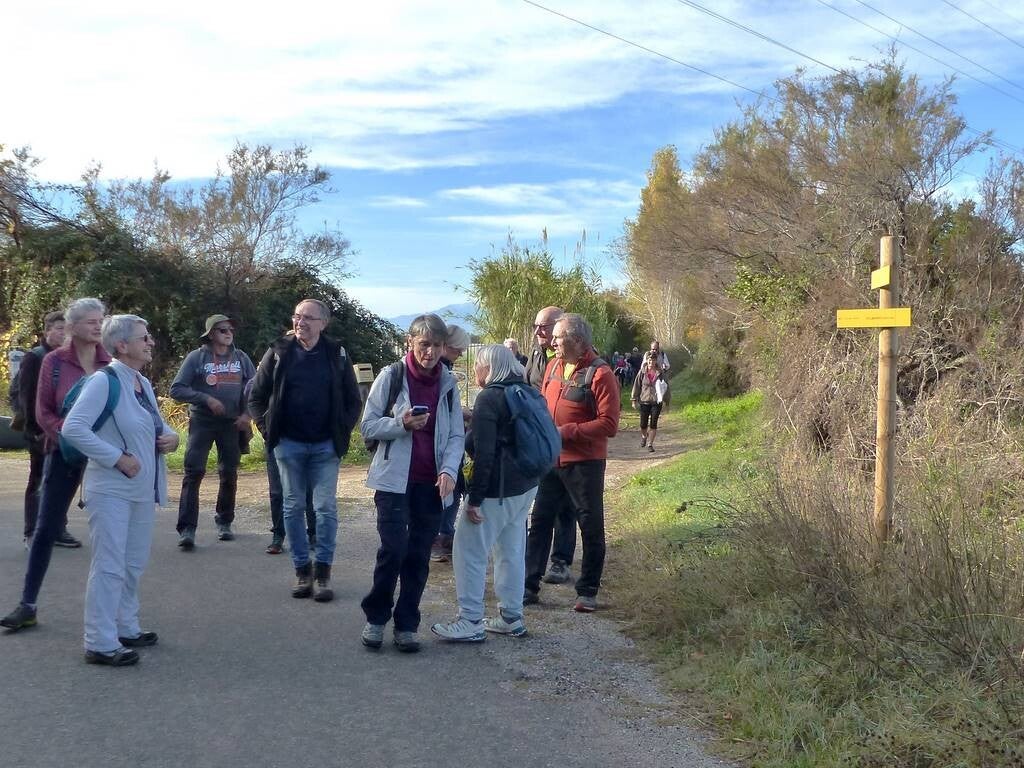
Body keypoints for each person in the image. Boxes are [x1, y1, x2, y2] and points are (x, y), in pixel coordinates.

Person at [61, 315, 179, 666]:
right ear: (122, 345)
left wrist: (172, 437)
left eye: (149, 336)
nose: (151, 342)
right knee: (110, 565)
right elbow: (73, 428)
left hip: (141, 491)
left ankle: (126, 626)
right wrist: (116, 458)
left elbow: (155, 426)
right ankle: (99, 641)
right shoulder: (104, 381)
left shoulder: (141, 382)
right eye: (144, 338)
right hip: (110, 489)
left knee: (133, 563)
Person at [1, 298, 111, 632]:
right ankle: (28, 604)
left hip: (104, 457)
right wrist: (71, 435)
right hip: (63, 453)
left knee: (111, 532)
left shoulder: (110, 363)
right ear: (73, 326)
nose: (98, 325)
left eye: (101, 320)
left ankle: (116, 615)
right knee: (46, 528)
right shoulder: (54, 361)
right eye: (91, 321)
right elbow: (43, 412)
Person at [359, 313, 465, 653]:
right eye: (424, 345)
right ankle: (376, 618)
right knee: (393, 550)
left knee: (419, 556)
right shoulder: (391, 376)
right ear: (410, 343)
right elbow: (367, 426)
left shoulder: (448, 383)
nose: (430, 352)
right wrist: (400, 424)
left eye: (437, 345)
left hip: (431, 484)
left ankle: (407, 625)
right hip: (393, 481)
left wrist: (449, 471)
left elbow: (456, 436)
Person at [248, 299, 362, 602]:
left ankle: (323, 573)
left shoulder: (336, 353)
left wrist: (342, 431)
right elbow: (256, 396)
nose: (301, 322)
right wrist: (268, 430)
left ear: (323, 323)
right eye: (297, 316)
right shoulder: (278, 351)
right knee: (293, 506)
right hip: (289, 445)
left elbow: (353, 400)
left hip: (325, 446)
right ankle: (302, 571)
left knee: (325, 507)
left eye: (308, 318)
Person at [431, 345, 542, 642]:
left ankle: (470, 620)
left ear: (489, 368)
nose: (475, 370)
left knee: (468, 551)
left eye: (478, 365)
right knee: (511, 551)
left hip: (497, 489)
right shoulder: (527, 392)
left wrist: (475, 500)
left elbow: (485, 456)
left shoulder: (489, 398)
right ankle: (511, 616)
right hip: (526, 485)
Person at [524, 313, 620, 613]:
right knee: (540, 523)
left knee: (590, 526)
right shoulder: (553, 365)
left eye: (558, 337)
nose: (552, 342)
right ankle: (528, 586)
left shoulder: (601, 374)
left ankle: (587, 591)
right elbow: (543, 405)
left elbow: (609, 424)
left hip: (585, 464)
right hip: (551, 460)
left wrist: (566, 432)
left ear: (577, 340)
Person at [169, 314, 255, 549]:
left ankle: (224, 522)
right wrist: (205, 399)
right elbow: (177, 389)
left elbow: (254, 388)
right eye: (222, 330)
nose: (228, 334)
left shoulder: (241, 357)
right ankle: (187, 529)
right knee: (194, 471)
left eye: (230, 330)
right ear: (211, 334)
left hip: (231, 424)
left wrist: (247, 415)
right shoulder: (197, 357)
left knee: (229, 472)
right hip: (202, 422)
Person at [523, 305, 577, 586]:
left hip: (566, 444)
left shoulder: (571, 359)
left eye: (543, 327)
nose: (538, 332)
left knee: (565, 506)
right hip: (538, 439)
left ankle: (561, 561)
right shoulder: (536, 354)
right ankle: (532, 572)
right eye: (536, 326)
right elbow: (526, 386)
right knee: (541, 508)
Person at [16, 311, 66, 550]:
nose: (64, 334)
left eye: (67, 329)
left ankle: (57, 529)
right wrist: (35, 431)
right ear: (47, 331)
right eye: (59, 328)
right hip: (39, 432)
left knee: (60, 480)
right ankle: (31, 532)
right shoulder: (35, 357)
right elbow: (26, 397)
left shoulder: (67, 358)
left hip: (62, 431)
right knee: (38, 480)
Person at [430, 323, 471, 563]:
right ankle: (441, 535)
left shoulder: (442, 369)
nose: (460, 355)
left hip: (444, 438)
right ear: (447, 346)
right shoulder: (442, 371)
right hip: (443, 441)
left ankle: (442, 534)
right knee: (450, 490)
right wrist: (463, 414)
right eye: (458, 350)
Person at [631, 351, 669, 452]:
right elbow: (636, 386)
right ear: (647, 361)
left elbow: (666, 387)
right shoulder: (642, 372)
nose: (651, 362)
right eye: (649, 360)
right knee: (643, 424)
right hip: (644, 401)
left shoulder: (660, 372)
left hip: (656, 401)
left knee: (653, 423)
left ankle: (650, 444)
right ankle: (644, 436)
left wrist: (666, 401)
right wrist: (634, 399)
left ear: (656, 361)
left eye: (653, 360)